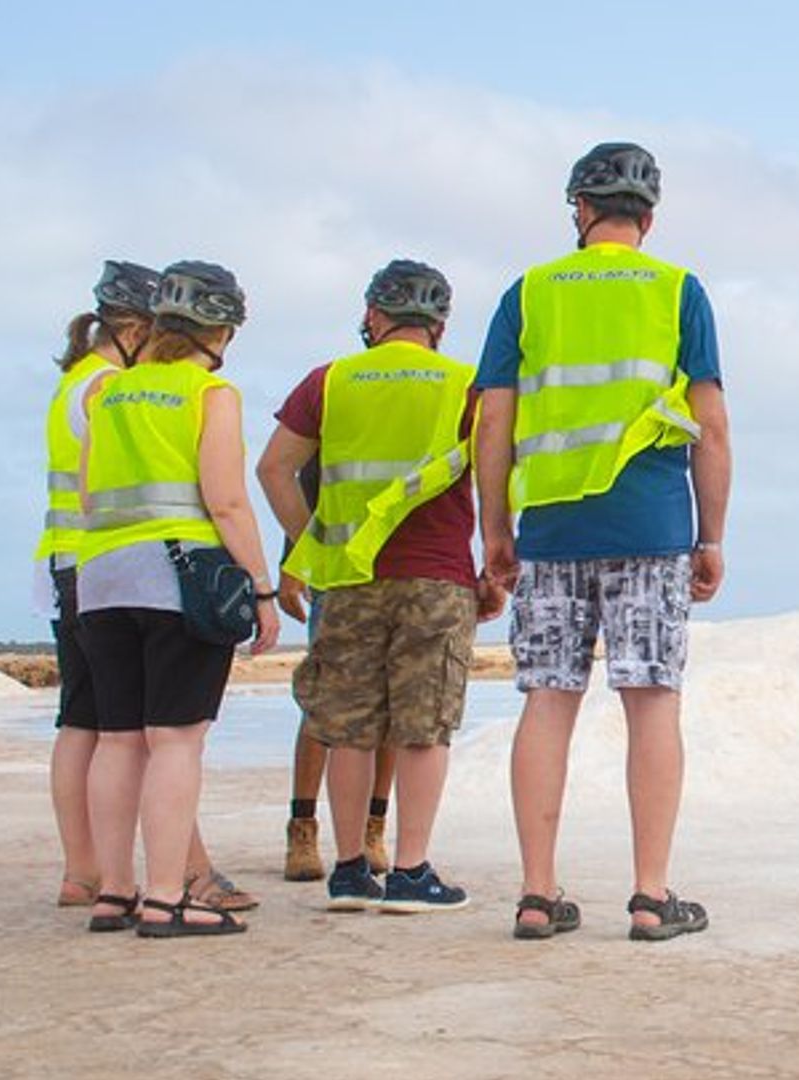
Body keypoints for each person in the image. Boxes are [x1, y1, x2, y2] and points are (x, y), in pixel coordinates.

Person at [476, 142, 732, 941]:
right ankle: (652, 896)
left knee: (548, 700)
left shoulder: (530, 292)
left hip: (551, 528)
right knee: (651, 702)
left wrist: (495, 527)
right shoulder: (677, 291)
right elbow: (711, 425)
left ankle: (536, 893)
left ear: (579, 211)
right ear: (647, 218)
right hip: (651, 527)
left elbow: (493, 418)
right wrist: (710, 535)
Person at [258, 259, 498, 913]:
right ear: (440, 324)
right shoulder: (468, 385)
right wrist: (496, 564)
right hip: (437, 576)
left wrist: (312, 541)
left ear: (373, 315)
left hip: (347, 579)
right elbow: (499, 473)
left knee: (348, 727)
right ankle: (412, 871)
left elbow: (275, 468)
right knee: (423, 727)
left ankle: (347, 871)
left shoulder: (329, 381)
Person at [40, 263, 259, 917]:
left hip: (98, 575)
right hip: (176, 581)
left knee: (115, 737)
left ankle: (112, 890)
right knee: (175, 740)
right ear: (218, 330)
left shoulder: (104, 393)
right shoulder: (209, 394)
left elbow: (85, 490)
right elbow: (225, 501)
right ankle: (167, 897)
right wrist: (263, 589)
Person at [37, 261, 157, 908]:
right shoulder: (106, 389)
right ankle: (129, 872)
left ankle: (80, 869)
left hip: (65, 561)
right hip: (105, 566)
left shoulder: (73, 381)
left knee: (80, 718)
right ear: (135, 327)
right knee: (129, 727)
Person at [277, 454, 398, 884]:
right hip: (337, 571)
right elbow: (306, 477)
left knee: (391, 708)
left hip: (405, 567)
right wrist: (293, 560)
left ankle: (373, 829)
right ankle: (303, 831)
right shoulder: (333, 387)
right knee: (322, 704)